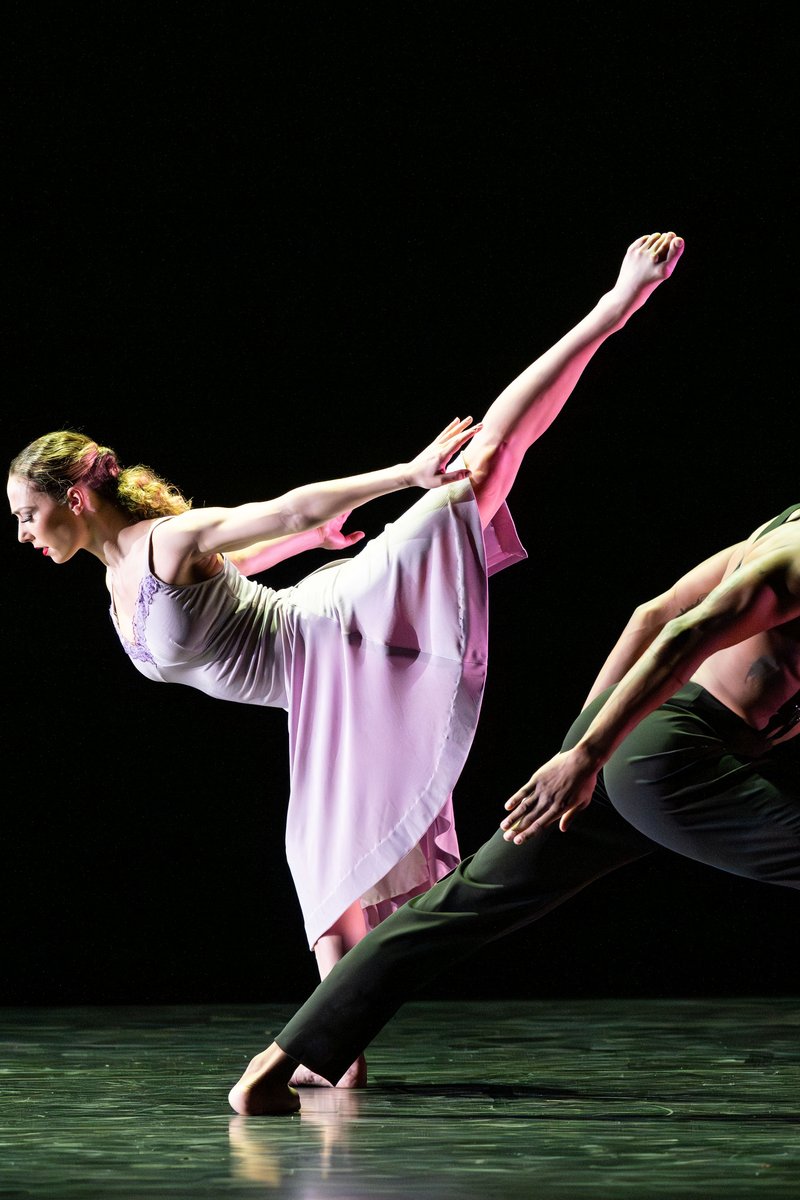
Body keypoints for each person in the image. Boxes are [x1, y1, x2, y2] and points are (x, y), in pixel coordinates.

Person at [8, 230, 684, 1089]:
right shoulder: (122, 581)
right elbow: (244, 574)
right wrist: (314, 542)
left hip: (330, 637)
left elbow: (283, 507)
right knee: (326, 881)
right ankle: (339, 1052)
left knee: (473, 474)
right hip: (315, 690)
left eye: (29, 514)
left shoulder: (167, 538)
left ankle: (613, 305)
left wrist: (403, 474)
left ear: (74, 498)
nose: (24, 535)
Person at [226, 498, 800, 1114]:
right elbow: (683, 630)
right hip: (663, 756)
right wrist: (582, 755)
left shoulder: (785, 524)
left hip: (636, 747)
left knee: (458, 908)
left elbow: (650, 611)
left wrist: (584, 744)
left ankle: (274, 1065)